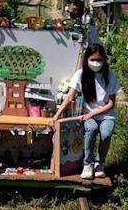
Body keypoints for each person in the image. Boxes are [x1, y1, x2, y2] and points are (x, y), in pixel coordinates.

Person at [51, 44, 121, 180]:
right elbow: (70, 96)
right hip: (88, 115)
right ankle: (87, 163)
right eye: (93, 59)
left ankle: (100, 163)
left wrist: (91, 114)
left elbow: (111, 104)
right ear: (87, 59)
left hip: (106, 115)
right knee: (92, 129)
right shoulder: (80, 74)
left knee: (106, 134)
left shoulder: (110, 76)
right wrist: (56, 116)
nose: (96, 63)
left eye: (99, 60)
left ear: (104, 60)